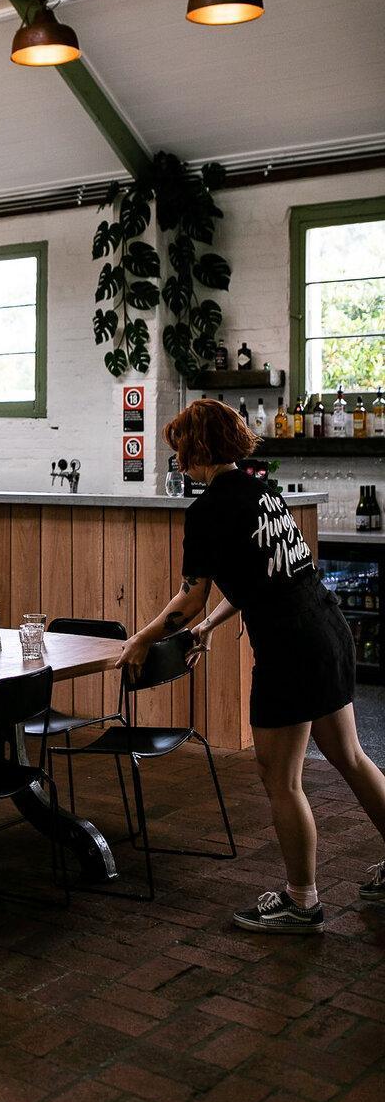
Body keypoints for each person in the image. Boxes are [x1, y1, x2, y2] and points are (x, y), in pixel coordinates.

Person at [117, 397, 385, 933]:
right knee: (351, 758)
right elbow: (258, 578)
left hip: (289, 649)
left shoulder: (209, 510)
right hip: (326, 631)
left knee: (279, 778)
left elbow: (189, 598)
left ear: (195, 451)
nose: (177, 462)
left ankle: (301, 901)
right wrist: (209, 629)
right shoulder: (262, 489)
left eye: (180, 450)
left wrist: (141, 640)